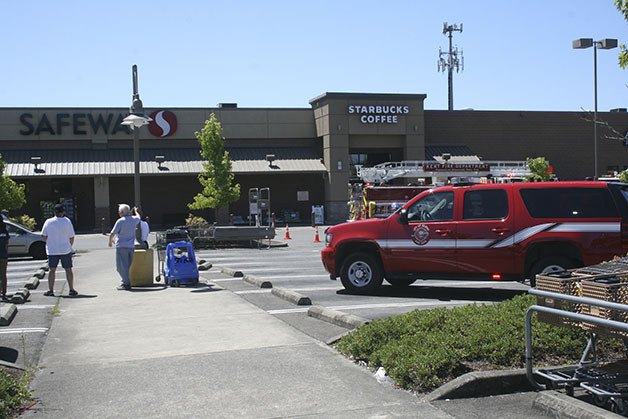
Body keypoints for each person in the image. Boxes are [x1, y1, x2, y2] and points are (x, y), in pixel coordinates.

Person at [41, 204, 77, 297]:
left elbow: (44, 235)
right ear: (63, 212)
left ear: (54, 212)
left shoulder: (48, 222)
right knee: (68, 269)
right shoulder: (67, 221)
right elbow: (71, 236)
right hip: (65, 249)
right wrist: (69, 245)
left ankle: (51, 290)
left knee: (52, 270)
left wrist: (50, 242)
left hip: (52, 250)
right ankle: (71, 289)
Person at [109, 204, 140, 290]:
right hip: (131, 246)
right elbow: (138, 217)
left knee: (121, 267)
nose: (118, 213)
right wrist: (136, 212)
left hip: (121, 246)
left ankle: (126, 283)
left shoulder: (120, 221)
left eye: (119, 212)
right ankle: (125, 282)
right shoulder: (134, 219)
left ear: (122, 212)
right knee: (127, 266)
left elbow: (113, 233)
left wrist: (110, 241)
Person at [0, 218, 9, 301]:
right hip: (3, 255)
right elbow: (6, 245)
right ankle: (4, 294)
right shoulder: (4, 231)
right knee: (3, 275)